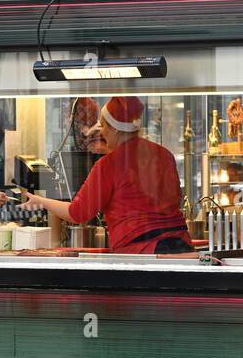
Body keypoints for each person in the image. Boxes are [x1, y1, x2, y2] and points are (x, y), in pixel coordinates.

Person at [19, 95, 194, 254]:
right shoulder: (164, 154)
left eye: (102, 125)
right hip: (182, 246)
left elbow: (77, 213)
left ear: (115, 129)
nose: (100, 131)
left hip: (143, 252)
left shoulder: (109, 164)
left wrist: (41, 201)